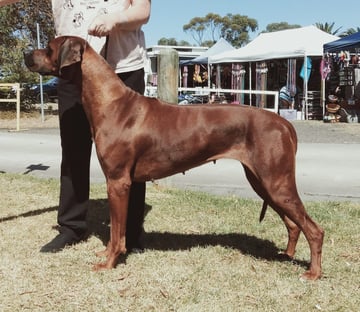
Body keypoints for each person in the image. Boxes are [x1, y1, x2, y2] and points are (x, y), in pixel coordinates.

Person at [0, 0, 151, 253]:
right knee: (73, 151)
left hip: (123, 68)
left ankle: (131, 233)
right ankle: (71, 227)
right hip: (70, 69)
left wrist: (115, 19)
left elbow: (143, 10)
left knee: (130, 155)